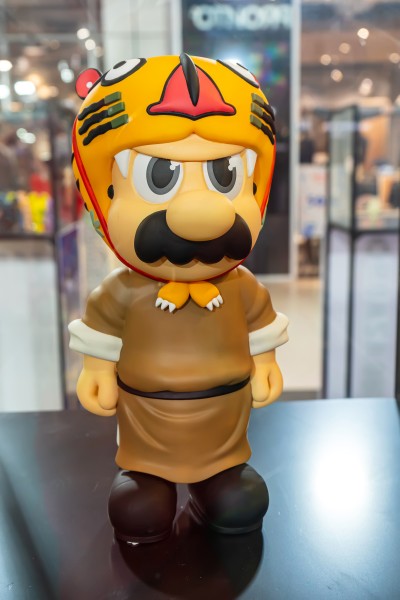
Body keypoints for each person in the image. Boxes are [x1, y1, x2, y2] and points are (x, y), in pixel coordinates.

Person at [69, 53, 288, 543]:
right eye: (159, 176)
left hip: (224, 419)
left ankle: (219, 480)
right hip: (147, 420)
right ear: (102, 193)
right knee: (139, 510)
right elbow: (101, 333)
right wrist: (97, 369)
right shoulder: (122, 292)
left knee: (240, 501)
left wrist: (266, 361)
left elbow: (261, 325)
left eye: (225, 175)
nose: (201, 214)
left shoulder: (242, 287)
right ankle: (148, 479)